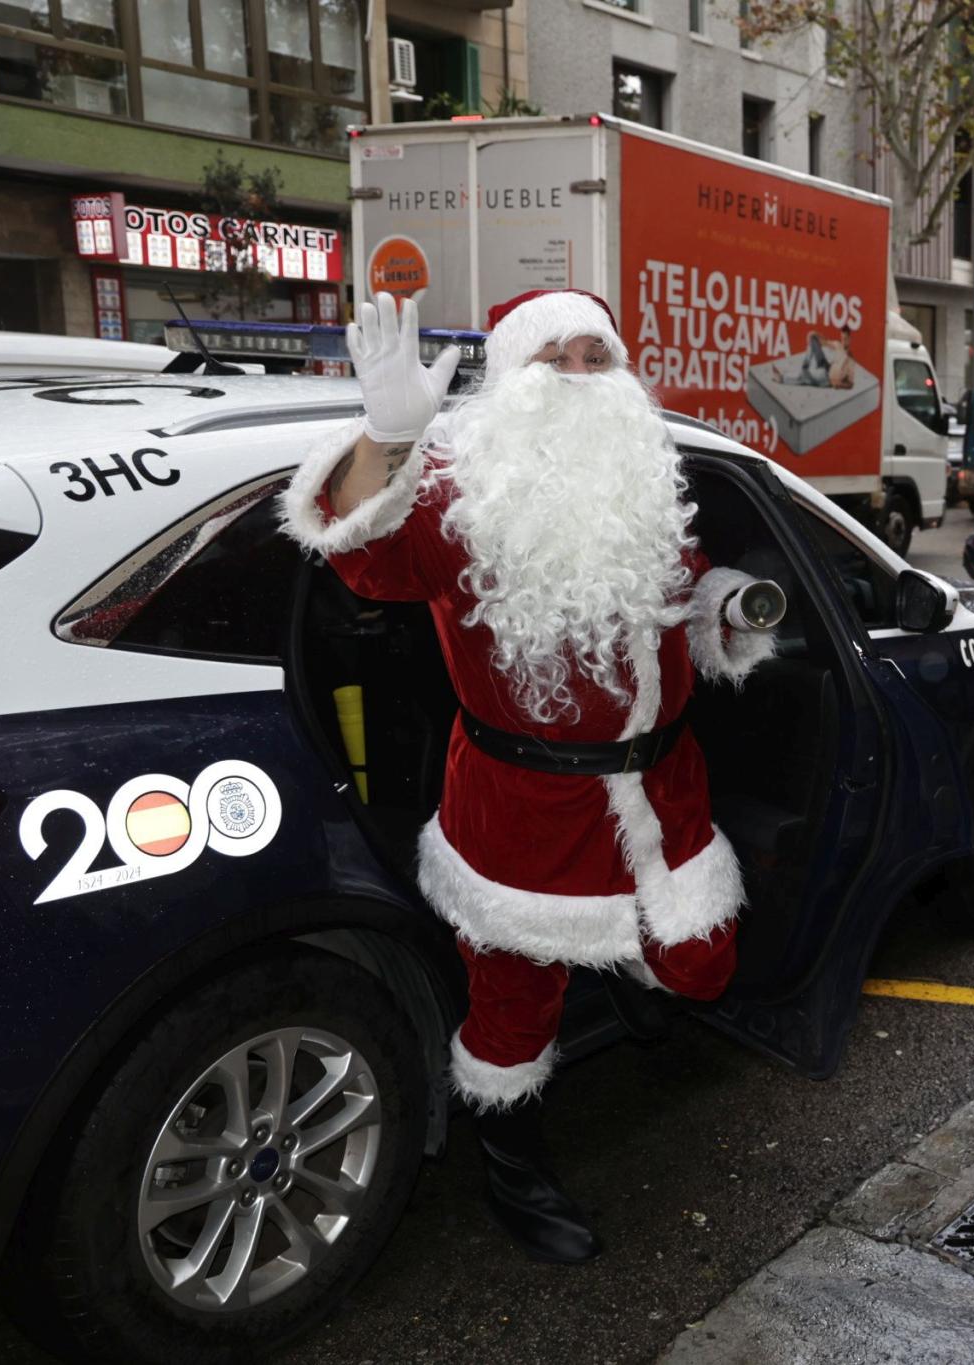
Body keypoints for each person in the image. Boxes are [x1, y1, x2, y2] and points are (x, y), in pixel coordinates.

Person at [281, 288, 780, 1262]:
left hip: (660, 789)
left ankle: (637, 976)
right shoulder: (453, 502)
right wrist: (386, 441)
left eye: (599, 357)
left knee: (700, 957)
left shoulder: (641, 486)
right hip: (522, 807)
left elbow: (681, 600)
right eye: (558, 360)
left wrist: (727, 612)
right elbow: (357, 545)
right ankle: (512, 1169)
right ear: (512, 382)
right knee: (513, 1006)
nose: (585, 379)